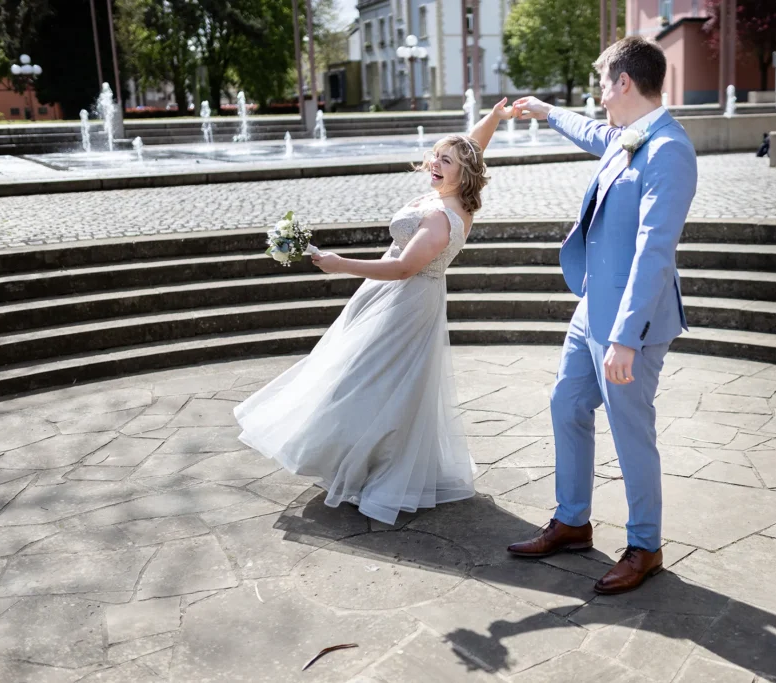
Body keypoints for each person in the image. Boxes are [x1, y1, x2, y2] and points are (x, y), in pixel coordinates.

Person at [233, 99, 514, 526]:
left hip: (405, 302)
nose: (434, 164)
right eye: (434, 155)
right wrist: (493, 118)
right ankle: (358, 459)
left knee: (368, 382)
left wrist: (339, 263)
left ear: (464, 172)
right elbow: (472, 147)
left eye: (445, 161)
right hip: (390, 297)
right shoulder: (456, 193)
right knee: (371, 380)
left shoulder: (442, 217)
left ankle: (370, 467)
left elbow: (403, 268)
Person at [507, 37, 698, 595]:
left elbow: (654, 253)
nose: (598, 93)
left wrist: (626, 338)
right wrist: (544, 112)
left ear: (623, 84)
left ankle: (645, 545)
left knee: (630, 431)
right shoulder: (627, 135)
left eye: (601, 82)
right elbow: (594, 133)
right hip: (592, 307)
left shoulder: (669, 151)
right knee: (566, 404)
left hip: (628, 327)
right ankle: (572, 521)